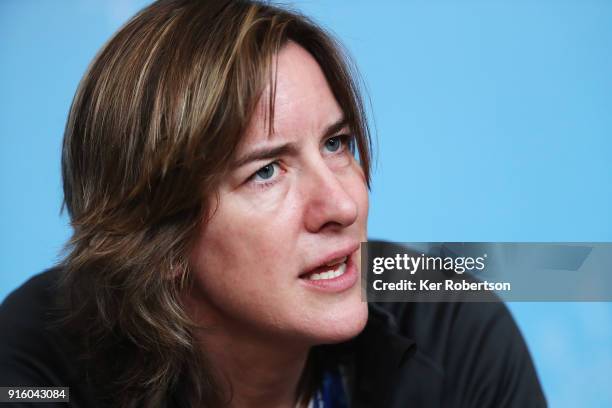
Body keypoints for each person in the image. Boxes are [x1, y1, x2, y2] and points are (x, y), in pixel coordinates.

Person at [0, 1, 546, 407]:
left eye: (337, 143)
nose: (341, 204)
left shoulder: (449, 323)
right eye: (266, 171)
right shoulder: (36, 366)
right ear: (156, 237)